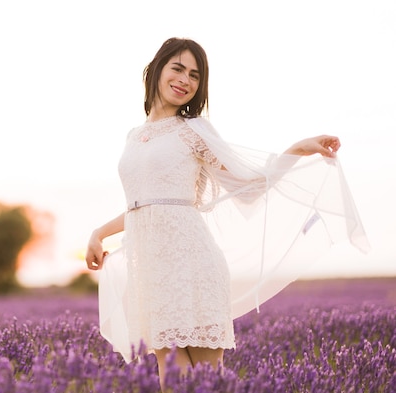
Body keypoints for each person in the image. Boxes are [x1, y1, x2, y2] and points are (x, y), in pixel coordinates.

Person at [84, 37, 369, 390]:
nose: (185, 80)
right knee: (171, 381)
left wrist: (296, 149)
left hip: (194, 264)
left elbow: (247, 189)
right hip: (152, 272)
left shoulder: (193, 130)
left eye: (194, 75)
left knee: (205, 383)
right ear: (156, 70)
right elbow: (143, 205)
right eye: (177, 69)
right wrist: (98, 232)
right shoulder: (133, 136)